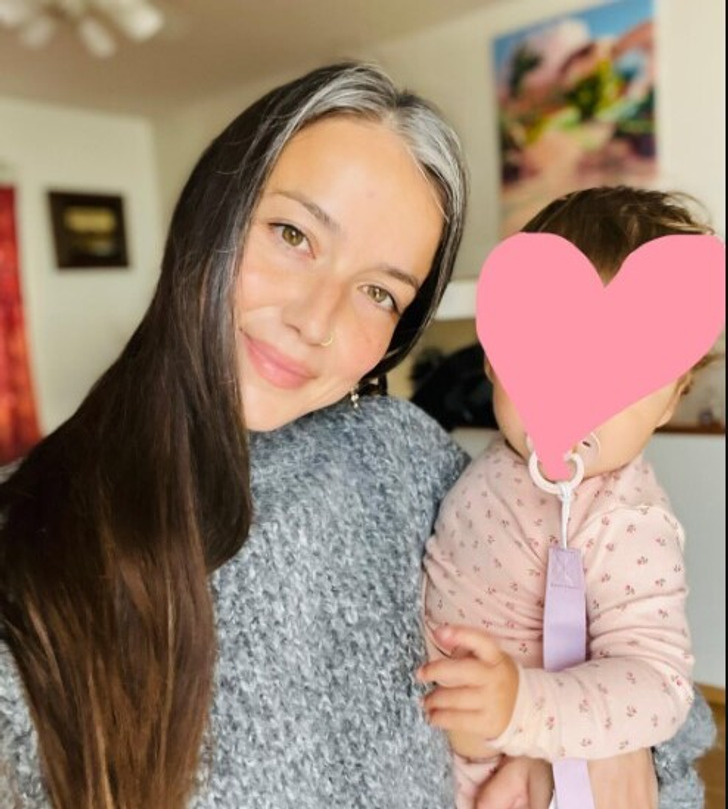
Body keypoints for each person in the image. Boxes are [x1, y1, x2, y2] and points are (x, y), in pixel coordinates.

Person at [0, 65, 713, 809]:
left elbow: (660, 703)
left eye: (379, 291)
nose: (315, 319)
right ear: (211, 216)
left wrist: (563, 749)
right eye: (293, 235)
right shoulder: (28, 547)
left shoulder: (401, 455)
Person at [420, 186, 719, 808]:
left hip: (537, 770)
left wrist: (524, 708)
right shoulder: (497, 458)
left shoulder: (624, 520)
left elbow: (657, 687)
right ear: (495, 360)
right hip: (437, 742)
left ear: (671, 398)